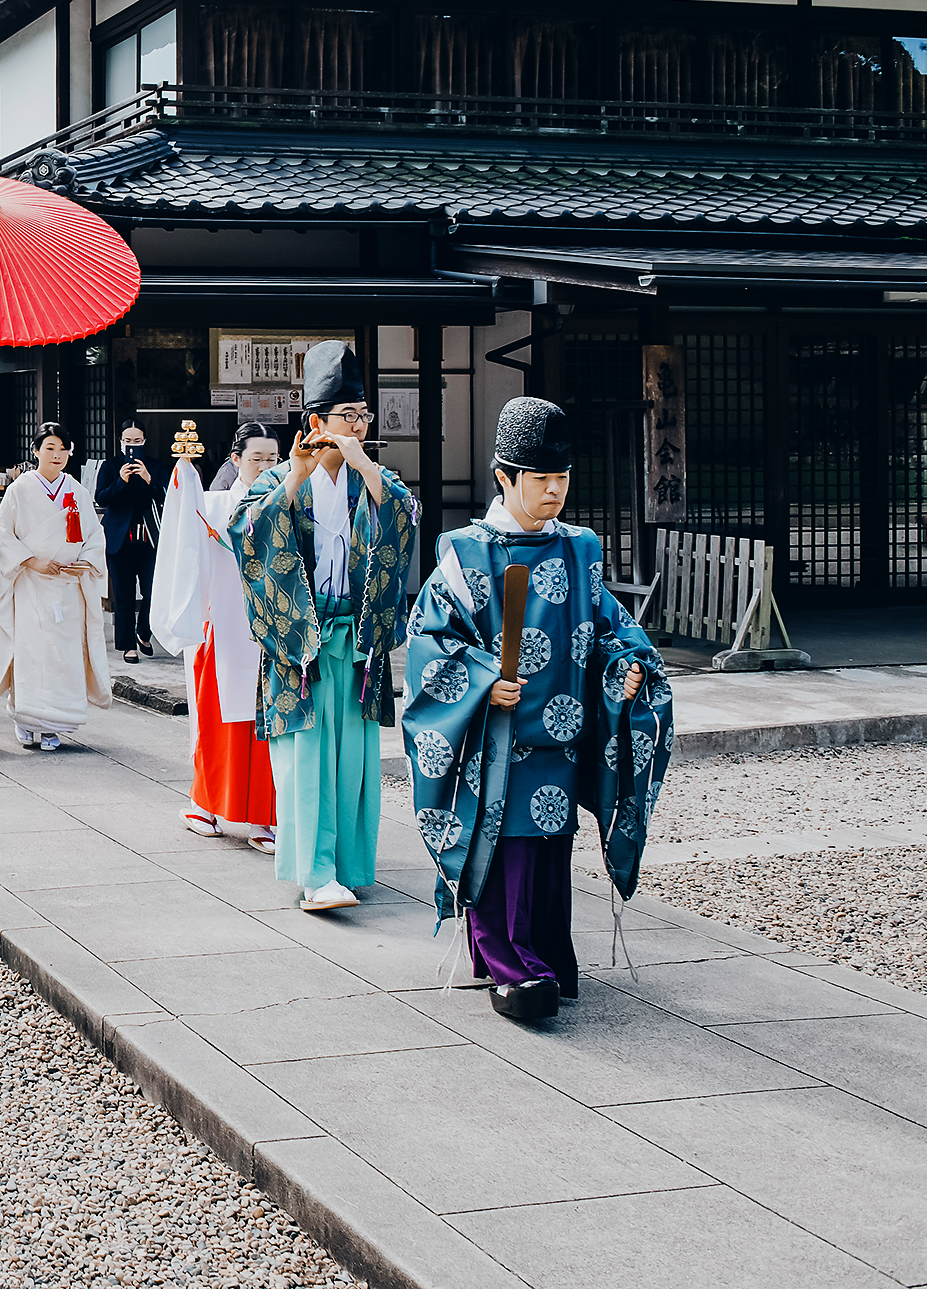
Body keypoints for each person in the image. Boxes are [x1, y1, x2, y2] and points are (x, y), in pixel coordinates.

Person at [403, 396, 672, 1023]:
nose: (555, 491)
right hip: (497, 740)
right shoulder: (465, 554)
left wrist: (623, 668)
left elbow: (610, 625)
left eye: (562, 478)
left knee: (548, 847)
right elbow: (432, 640)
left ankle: (536, 952)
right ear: (504, 477)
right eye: (541, 479)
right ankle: (510, 963)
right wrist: (475, 680)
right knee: (504, 846)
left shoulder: (579, 549)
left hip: (562, 733)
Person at [227, 342, 417, 913]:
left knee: (355, 760)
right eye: (348, 416)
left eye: (364, 414)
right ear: (316, 422)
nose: (359, 425)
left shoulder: (374, 478)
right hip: (302, 644)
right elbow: (248, 533)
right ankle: (315, 874)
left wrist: (363, 465)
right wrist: (295, 479)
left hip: (358, 643)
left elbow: (405, 521)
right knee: (306, 760)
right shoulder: (281, 478)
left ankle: (352, 866)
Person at [153, 423, 281, 855]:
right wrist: (185, 478)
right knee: (217, 723)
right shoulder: (214, 504)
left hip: (270, 633)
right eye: (256, 458)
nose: (265, 465)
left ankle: (265, 817)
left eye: (272, 458)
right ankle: (203, 805)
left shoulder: (288, 501)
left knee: (267, 728)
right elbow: (184, 541)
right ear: (235, 460)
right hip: (222, 627)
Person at [0, 423, 111, 749]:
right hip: (31, 583)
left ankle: (55, 724)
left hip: (68, 584)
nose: (57, 455)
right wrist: (31, 560)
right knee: (31, 651)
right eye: (50, 448)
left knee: (63, 655)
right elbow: (2, 530)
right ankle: (26, 720)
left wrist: (83, 562)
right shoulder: (20, 488)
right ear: (36, 451)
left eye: (63, 449)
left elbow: (94, 536)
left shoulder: (77, 491)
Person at [94, 423, 162, 664]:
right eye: (128, 440)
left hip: (149, 540)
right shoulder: (110, 465)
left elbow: (166, 495)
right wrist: (121, 481)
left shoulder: (155, 465)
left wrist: (148, 478)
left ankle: (144, 631)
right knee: (123, 595)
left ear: (144, 441)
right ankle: (128, 646)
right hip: (120, 539)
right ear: (121, 441)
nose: (132, 445)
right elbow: (101, 497)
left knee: (153, 592)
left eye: (137, 440)